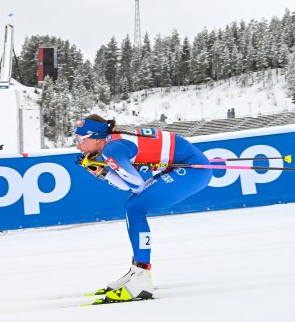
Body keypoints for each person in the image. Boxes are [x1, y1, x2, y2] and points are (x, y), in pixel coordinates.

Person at [74, 114, 212, 303]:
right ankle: (137, 271)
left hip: (193, 170)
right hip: (188, 166)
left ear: (97, 138)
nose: (78, 146)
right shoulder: (111, 142)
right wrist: (99, 171)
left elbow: (135, 185)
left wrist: (103, 171)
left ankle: (141, 278)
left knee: (135, 206)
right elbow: (129, 185)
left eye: (81, 140)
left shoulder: (111, 149)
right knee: (133, 206)